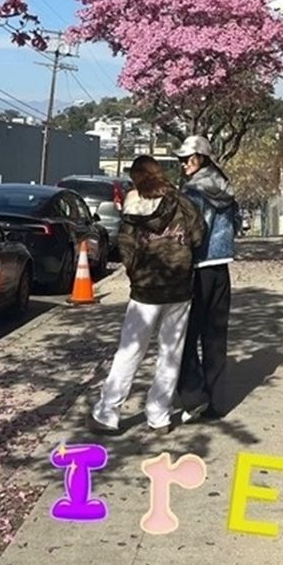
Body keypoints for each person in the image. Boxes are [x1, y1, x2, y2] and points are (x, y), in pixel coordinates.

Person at [91, 154, 206, 434]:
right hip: (179, 287)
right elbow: (198, 236)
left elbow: (125, 245)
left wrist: (135, 271)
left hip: (145, 289)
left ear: (136, 178)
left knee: (130, 350)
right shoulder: (182, 202)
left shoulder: (133, 204)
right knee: (170, 353)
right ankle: (159, 415)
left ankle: (107, 413)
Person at [175, 134, 240, 423]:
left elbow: (191, 231)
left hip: (199, 268)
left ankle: (194, 395)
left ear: (200, 158)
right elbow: (236, 223)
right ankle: (216, 402)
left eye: (187, 159)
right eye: (181, 160)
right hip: (221, 266)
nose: (183, 164)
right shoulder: (224, 186)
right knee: (215, 337)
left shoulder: (193, 191)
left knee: (185, 336)